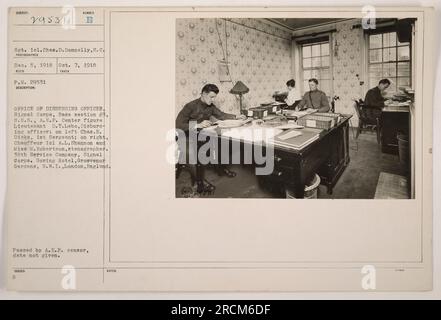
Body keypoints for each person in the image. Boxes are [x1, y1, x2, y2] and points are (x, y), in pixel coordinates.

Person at [175, 83, 246, 194]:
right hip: (185, 136)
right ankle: (201, 182)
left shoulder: (210, 106)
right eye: (211, 97)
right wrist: (197, 125)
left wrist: (236, 116)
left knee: (219, 143)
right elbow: (178, 124)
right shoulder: (190, 106)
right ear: (203, 94)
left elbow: (221, 115)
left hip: (200, 135)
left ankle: (220, 169)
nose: (213, 100)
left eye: (214, 97)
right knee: (192, 154)